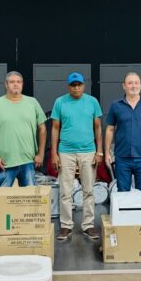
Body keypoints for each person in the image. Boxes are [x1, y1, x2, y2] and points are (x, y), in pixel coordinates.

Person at [51, 72, 103, 241]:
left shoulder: (92, 102)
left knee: (89, 190)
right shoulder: (60, 102)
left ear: (83, 85)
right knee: (65, 191)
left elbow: (98, 127)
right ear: (69, 87)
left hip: (88, 151)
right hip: (65, 151)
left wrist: (99, 151)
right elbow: (55, 128)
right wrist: (54, 153)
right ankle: (66, 226)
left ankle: (88, 225)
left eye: (79, 84)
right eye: (73, 85)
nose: (76, 88)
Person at [0, 71, 46, 187]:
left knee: (29, 197)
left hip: (28, 161)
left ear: (22, 84)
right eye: (12, 82)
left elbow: (42, 129)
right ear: (6, 85)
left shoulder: (32, 103)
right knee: (3, 197)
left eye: (18, 82)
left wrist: (41, 154)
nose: (15, 84)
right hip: (5, 163)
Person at [104, 72, 141, 192]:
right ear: (124, 86)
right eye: (130, 83)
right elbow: (110, 129)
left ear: (140, 85)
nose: (133, 86)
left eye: (136, 83)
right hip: (122, 157)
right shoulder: (115, 105)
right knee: (123, 193)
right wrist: (107, 152)